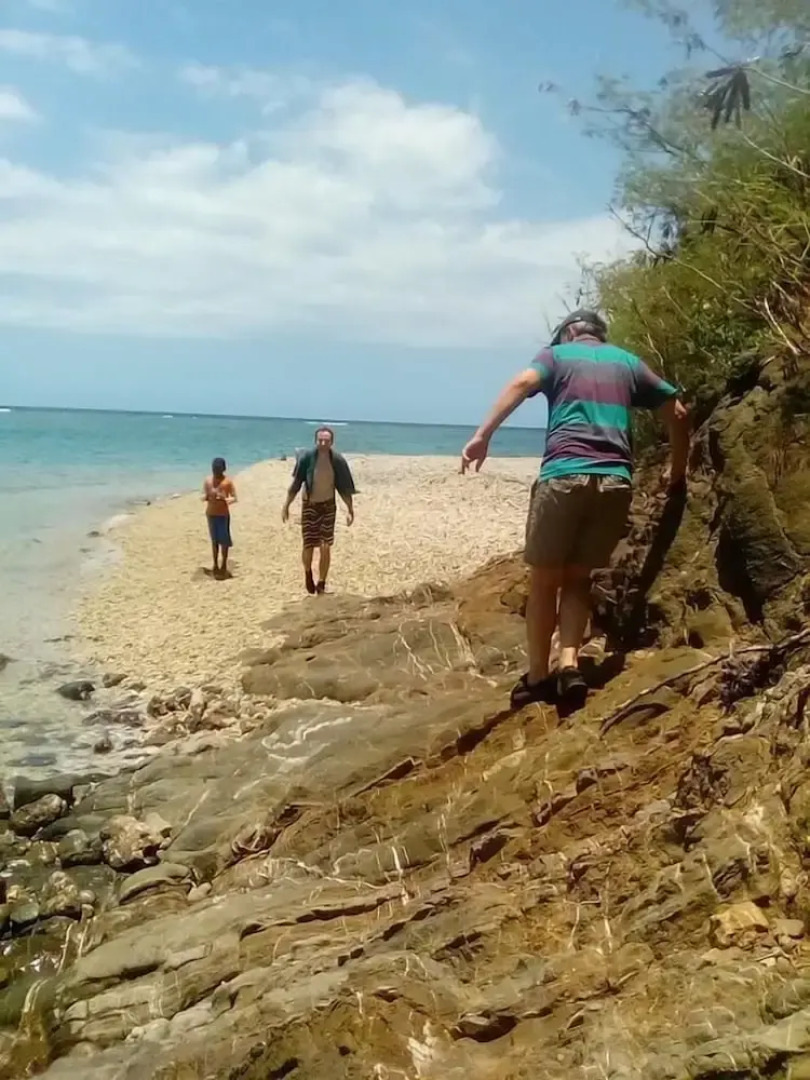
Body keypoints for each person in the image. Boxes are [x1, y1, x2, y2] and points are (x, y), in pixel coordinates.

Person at [461, 309, 690, 711]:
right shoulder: (627, 362)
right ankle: (569, 665)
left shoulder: (556, 356)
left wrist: (483, 436)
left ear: (568, 333)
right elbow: (678, 412)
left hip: (565, 475)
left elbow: (522, 382)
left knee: (544, 580)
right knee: (579, 578)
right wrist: (677, 470)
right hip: (615, 481)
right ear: (601, 335)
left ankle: (538, 677)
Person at [282, 427, 356, 594]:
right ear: (315, 441)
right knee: (308, 545)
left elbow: (344, 487)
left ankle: (322, 582)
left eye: (326, 441)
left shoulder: (337, 460)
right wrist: (286, 505)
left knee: (325, 546)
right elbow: (296, 484)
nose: (323, 443)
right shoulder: (307, 458)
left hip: (328, 506)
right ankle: (308, 573)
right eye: (320, 440)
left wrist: (350, 509)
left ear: (332, 442)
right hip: (309, 505)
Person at [202, 457, 237, 579]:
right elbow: (204, 495)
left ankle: (224, 564)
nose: (215, 472)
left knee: (224, 542)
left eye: (217, 469)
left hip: (223, 515)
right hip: (211, 514)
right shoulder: (208, 481)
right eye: (214, 469)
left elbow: (234, 498)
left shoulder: (227, 482)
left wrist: (225, 499)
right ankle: (215, 564)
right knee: (214, 541)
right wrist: (206, 497)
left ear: (223, 469)